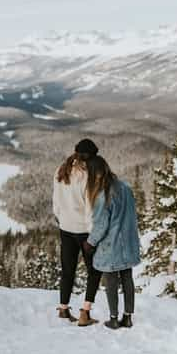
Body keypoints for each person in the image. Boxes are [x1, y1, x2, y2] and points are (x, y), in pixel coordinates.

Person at [83, 155, 141, 330]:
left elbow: (101, 225)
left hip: (111, 245)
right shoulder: (125, 188)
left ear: (96, 174)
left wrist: (90, 243)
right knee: (127, 278)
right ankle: (128, 317)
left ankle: (114, 318)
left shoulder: (103, 195)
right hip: (128, 242)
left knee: (111, 282)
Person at [52, 139, 102, 327]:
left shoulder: (61, 170)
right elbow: (90, 208)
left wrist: (61, 219)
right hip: (83, 230)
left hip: (65, 228)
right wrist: (92, 234)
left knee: (67, 270)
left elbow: (56, 202)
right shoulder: (87, 176)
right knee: (94, 271)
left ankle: (64, 309)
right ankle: (85, 313)